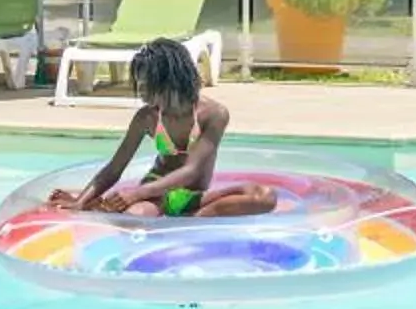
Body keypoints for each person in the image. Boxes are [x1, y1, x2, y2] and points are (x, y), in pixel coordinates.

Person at [48, 37, 278, 218]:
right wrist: (79, 203)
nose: (142, 93)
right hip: (155, 195)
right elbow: (114, 168)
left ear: (171, 80)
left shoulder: (214, 114)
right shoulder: (147, 118)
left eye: (148, 85)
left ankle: (190, 217)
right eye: (140, 85)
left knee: (264, 197)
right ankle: (98, 205)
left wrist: (134, 194)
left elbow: (192, 171)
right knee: (136, 217)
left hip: (194, 196)